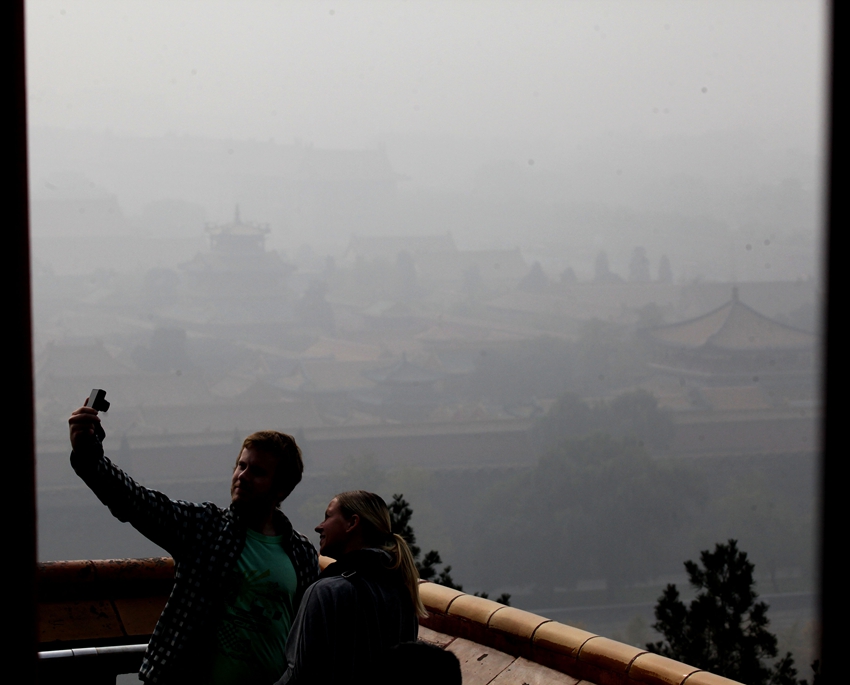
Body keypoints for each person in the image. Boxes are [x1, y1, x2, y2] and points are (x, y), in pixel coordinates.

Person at [68, 401, 318, 685]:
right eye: (241, 466)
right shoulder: (204, 528)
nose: (242, 477)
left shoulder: (301, 554)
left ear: (282, 488)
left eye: (258, 472)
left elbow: (306, 634)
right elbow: (134, 501)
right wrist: (89, 454)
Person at [275, 491, 424, 685]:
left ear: (352, 523)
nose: (318, 527)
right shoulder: (404, 593)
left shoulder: (325, 592)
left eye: (328, 517)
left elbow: (300, 676)